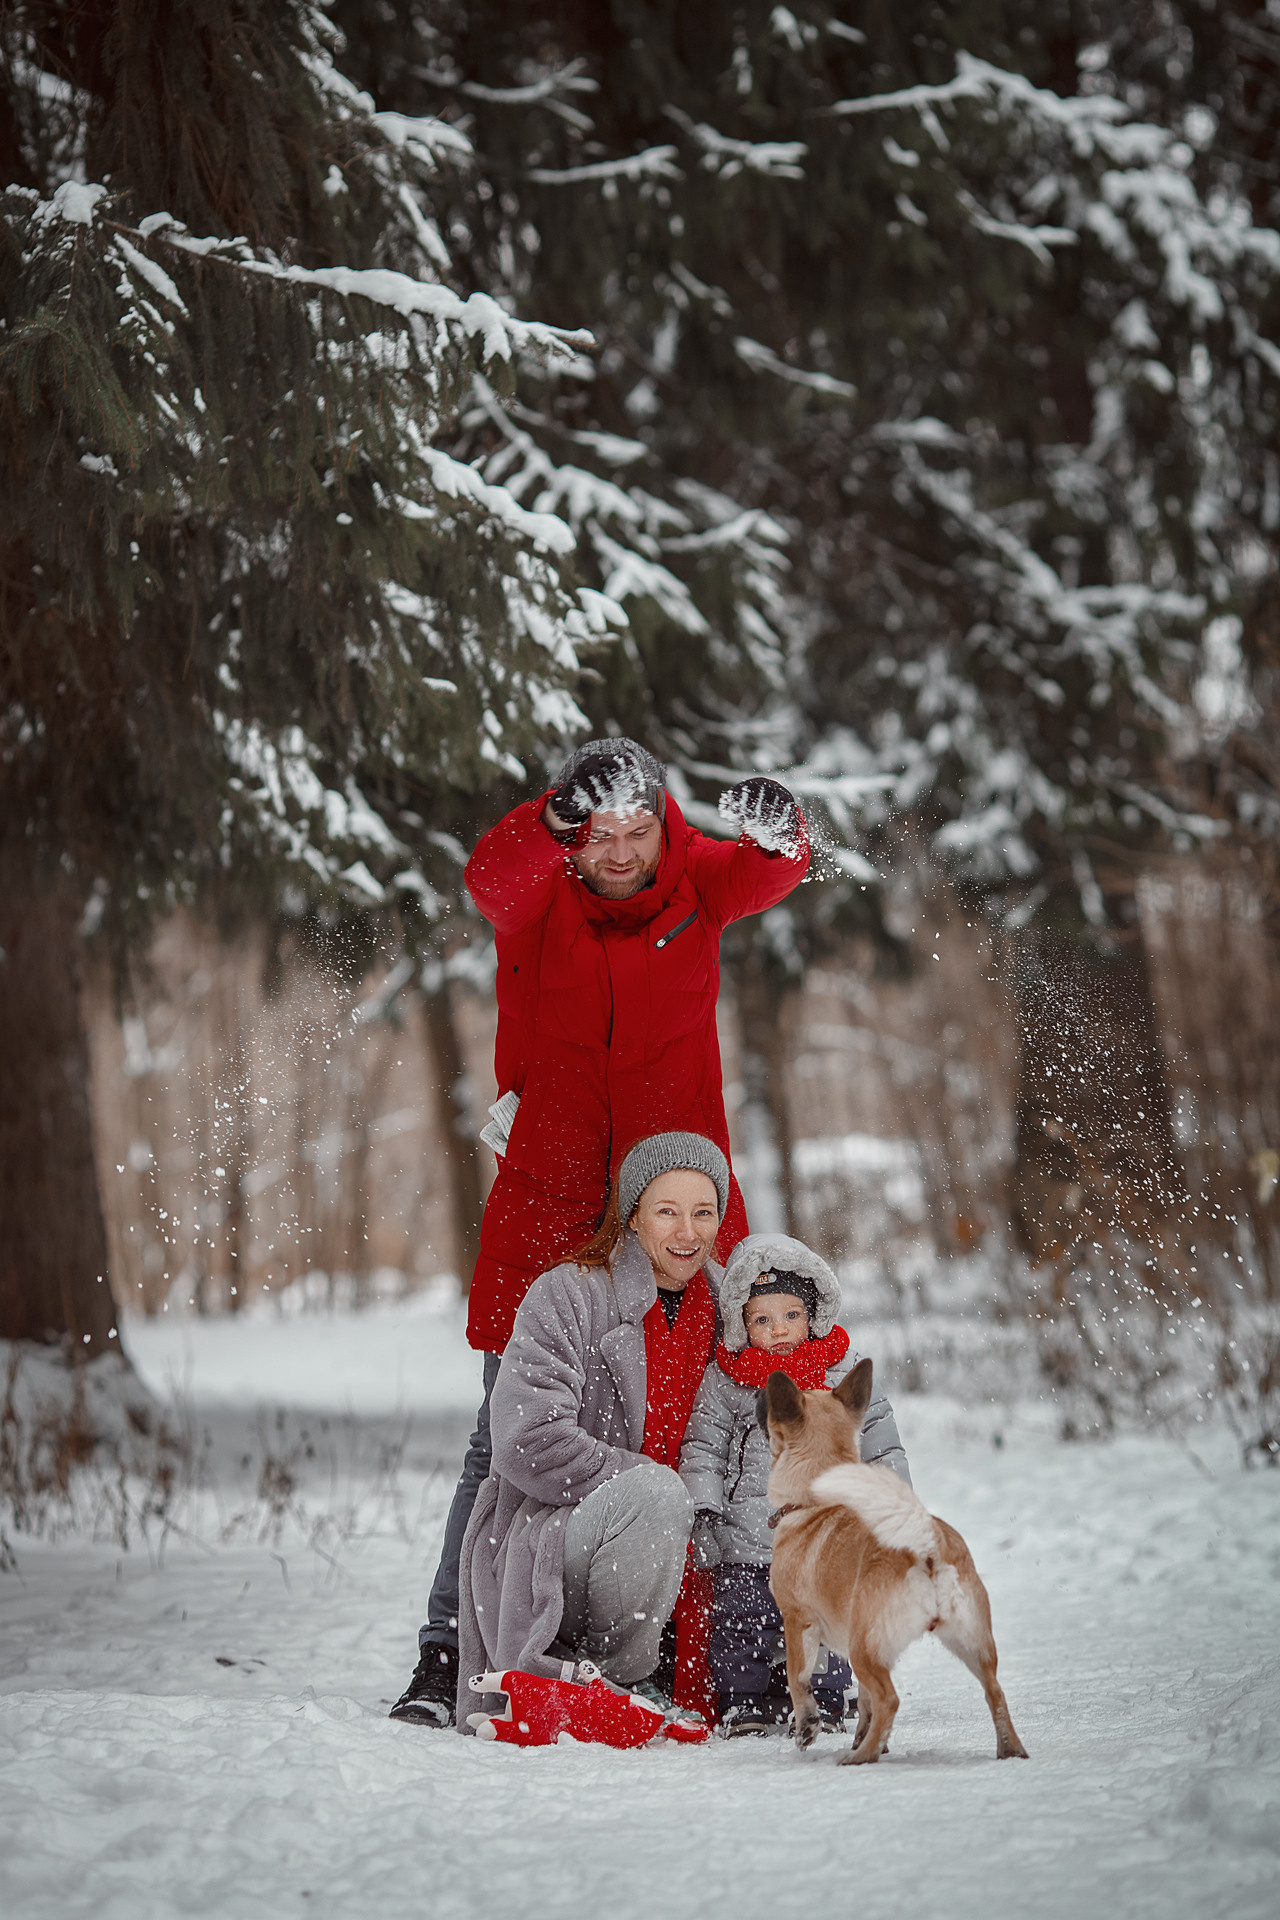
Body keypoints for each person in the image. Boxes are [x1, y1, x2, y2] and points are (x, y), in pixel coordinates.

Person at [391, 739, 808, 1725]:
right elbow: (486, 877)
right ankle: (444, 1643)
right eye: (599, 836)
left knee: (699, 1435)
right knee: (499, 1440)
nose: (618, 853)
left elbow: (769, 870)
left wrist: (779, 824)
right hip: (548, 1209)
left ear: (661, 826)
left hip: (674, 1213)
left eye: (635, 832)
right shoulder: (539, 894)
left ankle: (683, 1652)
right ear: (574, 839)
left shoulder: (693, 880)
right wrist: (547, 819)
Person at [455, 1133, 734, 1736]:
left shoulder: (730, 1308)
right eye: (668, 1212)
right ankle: (618, 1681)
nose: (688, 1232)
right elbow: (527, 1438)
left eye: (703, 1212)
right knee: (660, 1496)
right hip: (557, 1532)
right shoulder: (569, 1292)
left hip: (688, 1544)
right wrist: (648, 1485)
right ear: (633, 1214)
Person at [678, 1232, 911, 1736]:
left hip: (825, 1538)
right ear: (742, 1323)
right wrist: (704, 1512)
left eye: (791, 1316)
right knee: (744, 1621)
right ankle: (746, 1700)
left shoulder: (839, 1373)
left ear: (813, 1314)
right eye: (762, 1319)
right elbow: (702, 1449)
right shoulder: (728, 1381)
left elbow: (879, 1441)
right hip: (747, 1538)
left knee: (827, 1619)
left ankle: (826, 1696)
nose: (779, 1330)